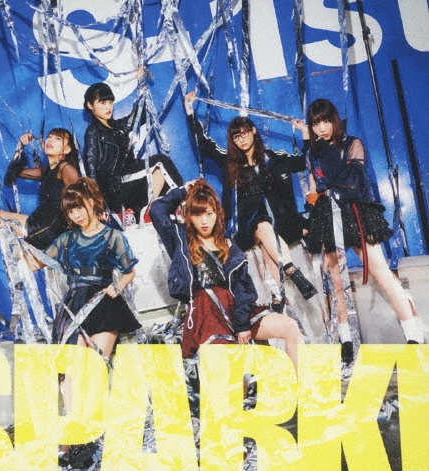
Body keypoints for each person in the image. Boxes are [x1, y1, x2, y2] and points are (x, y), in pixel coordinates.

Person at [305, 98, 425, 362]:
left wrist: (322, 148)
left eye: (326, 121)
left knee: (382, 273)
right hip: (329, 215)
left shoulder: (352, 144)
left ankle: (414, 335)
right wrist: (313, 207)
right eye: (315, 124)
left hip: (356, 212)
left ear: (334, 120)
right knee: (337, 284)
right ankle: (346, 343)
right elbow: (315, 190)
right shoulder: (313, 153)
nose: (322, 128)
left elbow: (348, 180)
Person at [34, 177, 141, 466]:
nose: (76, 215)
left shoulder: (112, 236)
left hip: (103, 304)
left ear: (92, 203)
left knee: (95, 369)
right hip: (74, 303)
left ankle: (87, 435)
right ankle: (71, 438)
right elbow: (35, 263)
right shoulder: (66, 239)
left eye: (79, 207)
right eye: (71, 211)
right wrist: (14, 236)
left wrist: (118, 286)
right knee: (70, 372)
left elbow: (129, 271)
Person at [150, 178, 305, 370]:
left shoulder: (229, 245)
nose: (204, 221)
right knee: (229, 373)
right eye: (197, 215)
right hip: (205, 313)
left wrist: (242, 324)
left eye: (209, 213)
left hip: (237, 309)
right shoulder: (180, 239)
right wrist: (183, 190)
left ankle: (300, 387)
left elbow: (243, 287)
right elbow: (157, 210)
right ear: (189, 216)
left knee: (290, 327)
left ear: (217, 214)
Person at [184, 91, 317, 307]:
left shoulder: (274, 159)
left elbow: (305, 161)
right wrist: (189, 110)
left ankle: (277, 298)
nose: (242, 139)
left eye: (244, 133)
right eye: (236, 136)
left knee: (267, 237)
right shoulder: (229, 162)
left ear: (253, 131)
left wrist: (305, 134)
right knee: (262, 225)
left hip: (281, 223)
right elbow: (203, 144)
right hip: (244, 228)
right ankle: (292, 270)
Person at [83, 82, 184, 223]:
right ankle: (187, 203)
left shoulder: (118, 126)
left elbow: (141, 115)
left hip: (130, 180)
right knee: (161, 161)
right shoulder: (93, 132)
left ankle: (147, 211)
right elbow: (91, 169)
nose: (108, 107)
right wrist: (99, 205)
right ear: (90, 105)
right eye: (103, 103)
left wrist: (141, 84)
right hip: (114, 187)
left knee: (159, 174)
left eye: (110, 102)